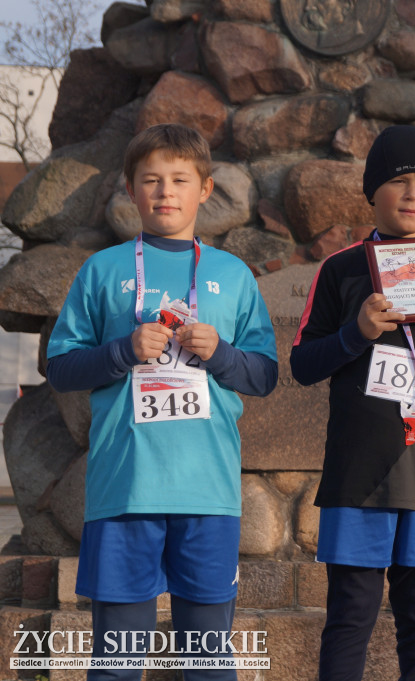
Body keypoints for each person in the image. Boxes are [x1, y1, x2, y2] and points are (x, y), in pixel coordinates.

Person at [46, 123, 278, 680]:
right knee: (118, 663)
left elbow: (264, 375)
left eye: (179, 179)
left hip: (208, 492)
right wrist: (122, 350)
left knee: (208, 661)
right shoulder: (102, 270)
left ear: (205, 188)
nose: (165, 191)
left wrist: (220, 353)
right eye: (151, 180)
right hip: (125, 489)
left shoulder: (233, 275)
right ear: (130, 189)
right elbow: (60, 366)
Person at [289, 125, 415, 681]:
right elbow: (304, 364)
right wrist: (355, 333)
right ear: (371, 191)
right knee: (350, 616)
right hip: (359, 477)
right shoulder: (342, 270)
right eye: (398, 181)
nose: (413, 194)